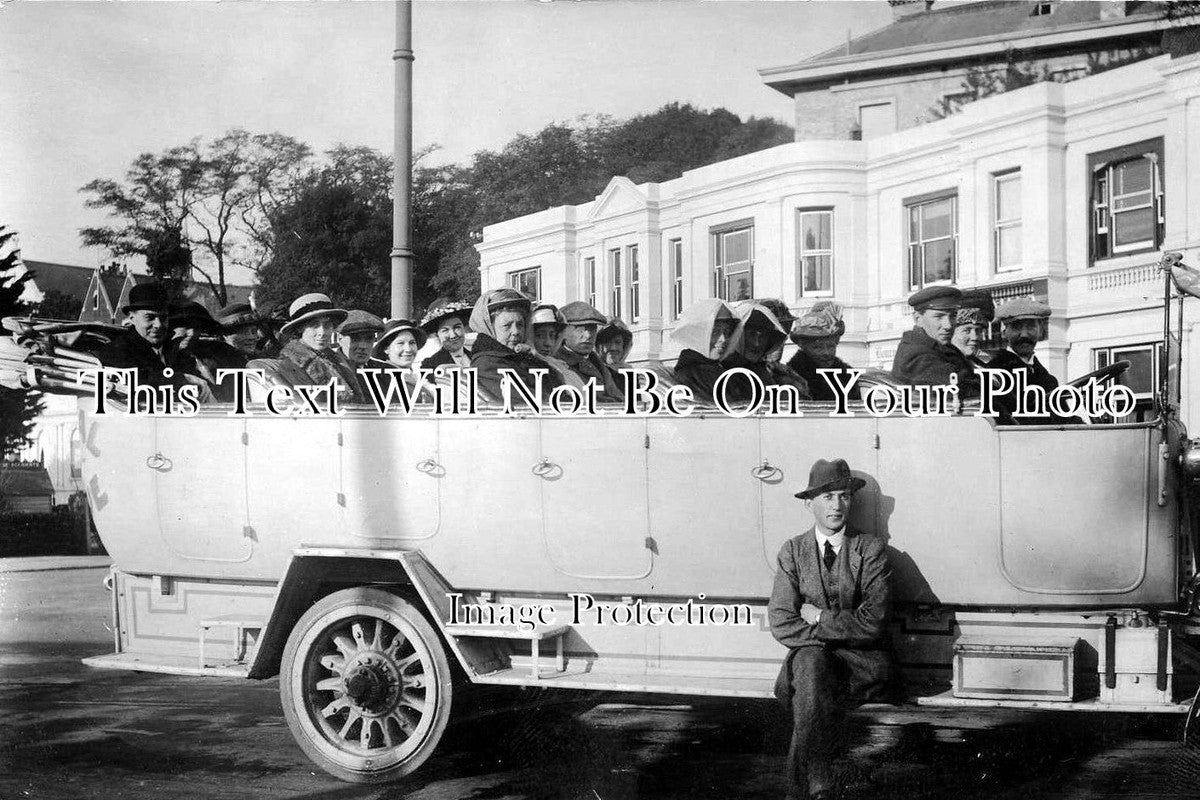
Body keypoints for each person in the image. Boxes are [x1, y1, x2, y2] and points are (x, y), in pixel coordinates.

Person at [768, 458, 893, 800]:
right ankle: (819, 784)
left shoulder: (870, 549)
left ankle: (803, 788)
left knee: (809, 675)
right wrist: (835, 635)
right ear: (809, 504)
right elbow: (781, 621)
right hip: (819, 665)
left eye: (844, 496)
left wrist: (821, 618)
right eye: (827, 497)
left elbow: (874, 622)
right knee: (812, 666)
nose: (837, 505)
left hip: (861, 667)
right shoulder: (793, 551)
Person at [97, 283, 208, 391]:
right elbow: (138, 383)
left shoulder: (174, 350)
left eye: (163, 317)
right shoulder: (117, 350)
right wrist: (183, 378)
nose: (158, 325)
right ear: (132, 318)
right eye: (149, 317)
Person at [988, 297, 1076, 424]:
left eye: (1031, 327)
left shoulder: (1048, 379)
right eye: (1017, 327)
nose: (1024, 334)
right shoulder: (995, 374)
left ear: (1040, 331)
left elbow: (1065, 419)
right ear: (1004, 332)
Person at [468, 288, 563, 405]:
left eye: (520, 325)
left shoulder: (522, 357)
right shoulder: (487, 365)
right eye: (507, 325)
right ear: (489, 328)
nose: (516, 332)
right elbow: (536, 402)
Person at [890, 285, 980, 398]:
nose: (948, 325)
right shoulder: (916, 354)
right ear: (918, 319)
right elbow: (967, 392)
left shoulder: (940, 348)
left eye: (953, 316)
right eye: (939, 317)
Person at [276, 293, 366, 404]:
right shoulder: (291, 365)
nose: (322, 332)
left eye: (327, 325)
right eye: (314, 325)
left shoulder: (336, 360)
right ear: (300, 328)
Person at [723, 302, 810, 401]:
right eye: (751, 334)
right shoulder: (723, 372)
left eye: (763, 336)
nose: (756, 343)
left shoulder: (773, 371)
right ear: (737, 335)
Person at [169, 300, 248, 401]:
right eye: (185, 326)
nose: (192, 333)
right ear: (170, 327)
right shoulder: (164, 363)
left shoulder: (217, 353)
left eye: (196, 327)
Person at [669, 298, 739, 405]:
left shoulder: (717, 368)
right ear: (698, 335)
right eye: (715, 332)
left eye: (727, 332)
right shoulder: (692, 374)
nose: (723, 339)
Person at [556, 301, 623, 403]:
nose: (588, 336)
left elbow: (618, 397)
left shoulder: (596, 362)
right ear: (563, 332)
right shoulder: (557, 364)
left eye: (592, 329)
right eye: (580, 330)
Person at [787, 302, 855, 402]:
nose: (826, 352)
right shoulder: (792, 377)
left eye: (831, 346)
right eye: (817, 347)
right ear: (803, 346)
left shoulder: (847, 376)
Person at [371, 318, 433, 401]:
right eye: (400, 343)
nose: (408, 349)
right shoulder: (385, 380)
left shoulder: (417, 376)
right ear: (386, 349)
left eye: (412, 343)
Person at [531, 304, 586, 391]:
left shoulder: (561, 367)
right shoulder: (526, 368)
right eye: (539, 335)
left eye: (552, 335)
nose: (548, 343)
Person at [419, 297, 474, 370]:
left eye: (457, 327)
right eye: (445, 330)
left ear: (464, 328)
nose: (453, 335)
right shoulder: (430, 365)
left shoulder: (477, 357)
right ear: (437, 334)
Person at [950, 290, 995, 368]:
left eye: (978, 331)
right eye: (966, 331)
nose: (975, 337)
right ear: (950, 333)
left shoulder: (987, 361)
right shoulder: (940, 363)